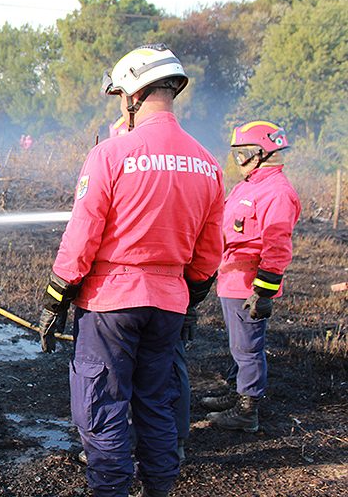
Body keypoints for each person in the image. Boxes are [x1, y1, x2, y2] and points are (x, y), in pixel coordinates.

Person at [38, 43, 224, 497]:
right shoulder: (208, 164)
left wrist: (55, 299)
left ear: (134, 94)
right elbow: (208, 255)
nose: (121, 105)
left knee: (102, 407)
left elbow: (81, 238)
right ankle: (158, 490)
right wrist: (188, 304)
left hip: (110, 306)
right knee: (157, 404)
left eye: (121, 95)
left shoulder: (111, 155)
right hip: (168, 307)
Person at [203, 121, 300, 432]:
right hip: (232, 278)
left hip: (248, 285)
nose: (238, 161)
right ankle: (237, 392)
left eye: (241, 154)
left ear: (261, 153)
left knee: (248, 348)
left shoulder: (277, 192)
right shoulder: (249, 185)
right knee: (238, 345)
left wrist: (263, 292)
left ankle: (247, 410)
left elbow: (277, 245)